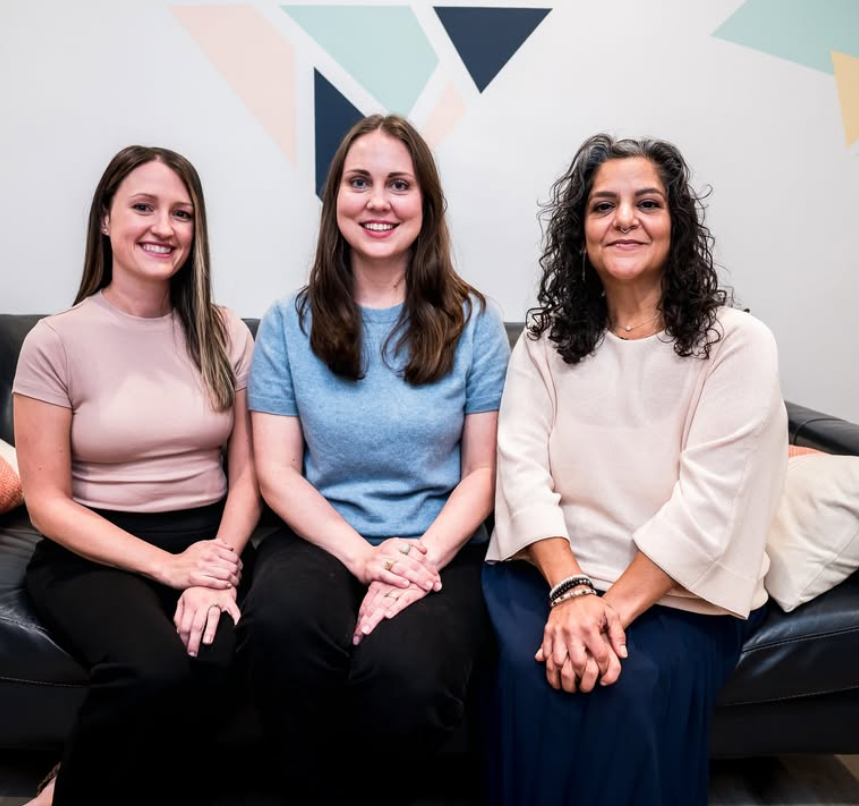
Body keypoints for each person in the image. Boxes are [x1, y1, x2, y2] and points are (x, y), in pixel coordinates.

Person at [482, 134, 788, 806]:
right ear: (580, 233)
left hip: (681, 591)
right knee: (533, 678)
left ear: (676, 224)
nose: (625, 218)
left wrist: (603, 614)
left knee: (627, 686)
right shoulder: (542, 339)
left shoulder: (736, 342)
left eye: (647, 203)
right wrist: (568, 594)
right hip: (549, 574)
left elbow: (709, 507)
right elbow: (522, 473)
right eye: (603, 206)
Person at [241, 114, 510, 804]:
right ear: (336, 201)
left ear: (426, 204)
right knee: (279, 629)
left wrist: (418, 560)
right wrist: (363, 558)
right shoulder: (287, 322)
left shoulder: (474, 323)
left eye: (399, 184)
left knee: (406, 674)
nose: (378, 201)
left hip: (442, 545)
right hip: (322, 536)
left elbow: (483, 473)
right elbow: (275, 471)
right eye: (359, 182)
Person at [13, 145, 260, 806]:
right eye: (143, 207)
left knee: (213, 663)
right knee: (150, 668)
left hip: (209, 538)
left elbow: (248, 475)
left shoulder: (223, 330)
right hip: (92, 549)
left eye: (182, 213)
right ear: (104, 219)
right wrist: (166, 567)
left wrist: (218, 565)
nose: (164, 227)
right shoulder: (55, 341)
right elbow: (44, 501)